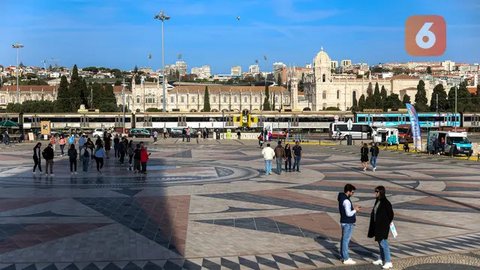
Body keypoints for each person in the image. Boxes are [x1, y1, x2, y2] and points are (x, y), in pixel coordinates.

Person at [368, 186, 394, 269]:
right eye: (375, 191)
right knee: (380, 242)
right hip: (377, 225)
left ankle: (388, 261)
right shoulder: (378, 201)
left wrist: (386, 223)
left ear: (381, 192)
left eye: (377, 192)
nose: (375, 193)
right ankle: (382, 258)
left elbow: (391, 214)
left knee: (384, 243)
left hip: (383, 226)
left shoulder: (386, 202)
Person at [338, 184, 360, 265]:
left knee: (344, 240)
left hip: (345, 222)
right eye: (352, 192)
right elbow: (348, 213)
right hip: (347, 222)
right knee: (345, 240)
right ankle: (346, 258)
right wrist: (355, 210)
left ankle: (343, 256)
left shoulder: (342, 198)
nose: (353, 194)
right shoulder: (346, 201)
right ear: (348, 192)